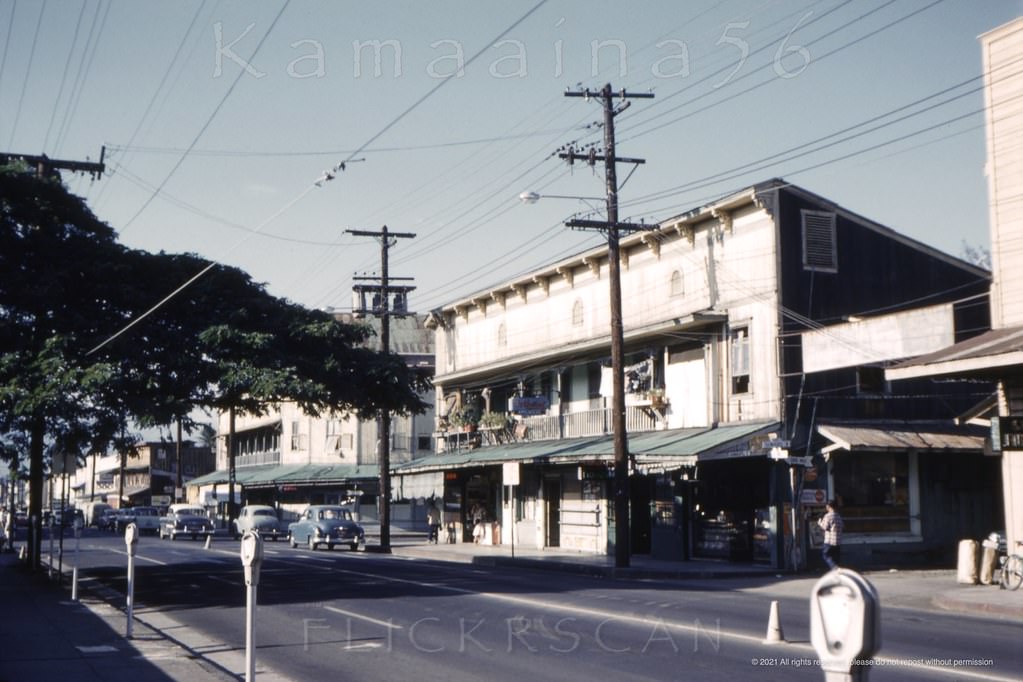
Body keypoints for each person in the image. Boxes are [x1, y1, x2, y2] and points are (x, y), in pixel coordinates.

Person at [818, 500, 843, 570]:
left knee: (826, 555)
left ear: (829, 506)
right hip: (838, 541)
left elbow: (825, 527)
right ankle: (837, 572)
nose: (826, 507)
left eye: (826, 506)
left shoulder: (828, 516)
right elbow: (842, 526)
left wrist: (820, 523)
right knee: (836, 558)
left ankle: (835, 568)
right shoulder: (838, 516)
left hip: (829, 541)